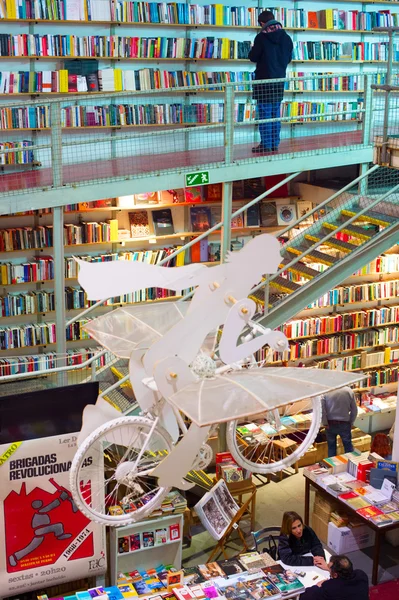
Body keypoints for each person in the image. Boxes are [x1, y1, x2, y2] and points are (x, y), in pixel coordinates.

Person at [248, 10, 293, 153]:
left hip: (263, 81)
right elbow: (288, 59)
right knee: (275, 113)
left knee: (264, 114)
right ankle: (274, 143)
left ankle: (266, 144)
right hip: (279, 80)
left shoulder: (261, 37)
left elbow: (253, 57)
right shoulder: (286, 38)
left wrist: (252, 49)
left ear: (262, 23)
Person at [302, 555, 369, 600]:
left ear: (335, 575)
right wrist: (329, 569)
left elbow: (306, 596)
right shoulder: (361, 575)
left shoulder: (330, 587)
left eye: (329, 566)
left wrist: (317, 586)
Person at [321, 386, 358, 457]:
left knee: (331, 447)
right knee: (348, 447)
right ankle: (350, 465)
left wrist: (325, 423)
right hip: (344, 423)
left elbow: (322, 410)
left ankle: (333, 466)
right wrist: (351, 422)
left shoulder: (325, 391)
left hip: (330, 423)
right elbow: (354, 410)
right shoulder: (349, 391)